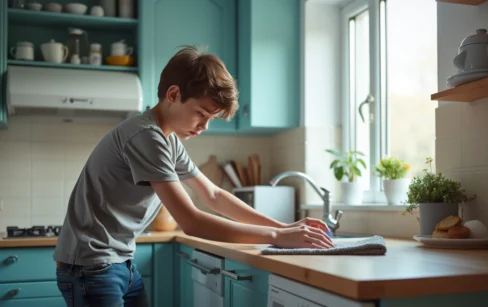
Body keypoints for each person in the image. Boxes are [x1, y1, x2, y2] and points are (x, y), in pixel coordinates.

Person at [53, 45, 334, 307]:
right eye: (200, 114)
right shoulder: (146, 136)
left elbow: (213, 195)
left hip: (118, 263)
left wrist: (284, 230)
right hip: (91, 268)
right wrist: (276, 236)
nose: (204, 127)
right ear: (173, 95)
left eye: (210, 119)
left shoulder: (168, 139)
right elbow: (191, 221)